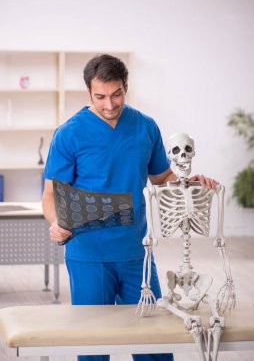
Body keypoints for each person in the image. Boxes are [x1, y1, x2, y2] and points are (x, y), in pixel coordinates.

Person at [42, 54, 218, 361]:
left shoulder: (145, 127)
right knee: (93, 346)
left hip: (136, 252)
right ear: (89, 93)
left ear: (126, 87)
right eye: (100, 97)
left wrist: (189, 182)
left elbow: (162, 176)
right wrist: (55, 222)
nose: (109, 105)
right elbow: (50, 195)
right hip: (88, 254)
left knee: (154, 343)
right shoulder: (69, 133)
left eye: (116, 95)